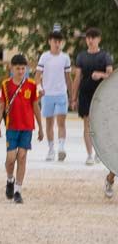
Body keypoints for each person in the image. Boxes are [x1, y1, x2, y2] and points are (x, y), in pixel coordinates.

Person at [0, 54, 43, 204]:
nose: (21, 71)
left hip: (27, 126)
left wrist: (41, 127)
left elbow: (35, 106)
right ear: (12, 68)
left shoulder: (31, 85)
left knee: (22, 157)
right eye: (18, 68)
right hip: (11, 126)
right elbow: (2, 105)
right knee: (10, 159)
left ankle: (18, 191)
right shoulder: (5, 85)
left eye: (23, 68)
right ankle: (10, 179)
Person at [71, 27, 114, 165]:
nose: (90, 40)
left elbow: (111, 76)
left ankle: (98, 153)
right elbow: (77, 77)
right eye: (88, 38)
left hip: (102, 95)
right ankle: (89, 154)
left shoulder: (105, 56)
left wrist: (101, 75)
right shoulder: (81, 56)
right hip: (85, 94)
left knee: (100, 126)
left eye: (93, 38)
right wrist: (73, 97)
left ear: (98, 39)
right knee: (87, 125)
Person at [35, 27, 72, 162]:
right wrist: (39, 88)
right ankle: (51, 149)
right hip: (47, 95)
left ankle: (61, 147)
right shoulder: (44, 57)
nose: (57, 43)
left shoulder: (65, 58)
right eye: (55, 41)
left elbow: (68, 78)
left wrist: (72, 96)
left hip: (61, 94)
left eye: (59, 41)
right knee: (49, 123)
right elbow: (37, 76)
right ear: (49, 41)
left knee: (61, 122)